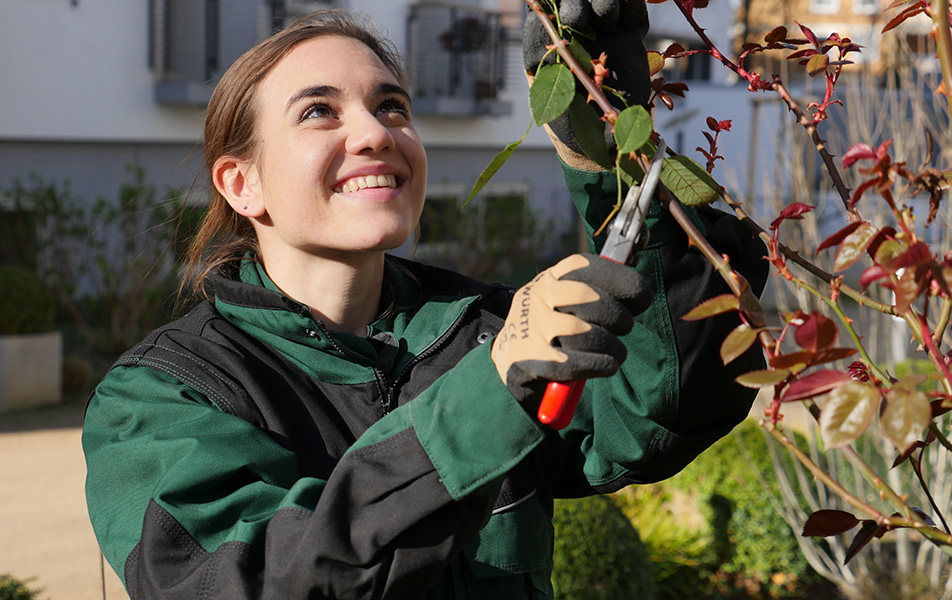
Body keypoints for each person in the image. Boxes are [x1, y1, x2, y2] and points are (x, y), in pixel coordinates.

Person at [82, 4, 767, 599]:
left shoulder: (480, 330)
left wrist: (611, 141)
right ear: (241, 184)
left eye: (391, 106)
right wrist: (492, 397)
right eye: (319, 111)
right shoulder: (159, 401)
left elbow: (663, 410)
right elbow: (260, 583)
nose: (377, 133)